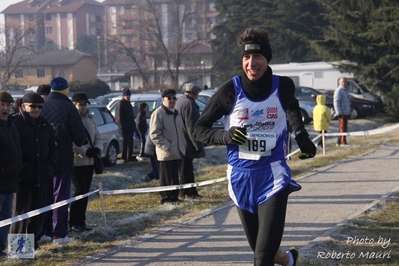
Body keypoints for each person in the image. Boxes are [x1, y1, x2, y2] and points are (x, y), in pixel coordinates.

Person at [193, 27, 316, 266]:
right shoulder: (230, 90)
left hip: (273, 177)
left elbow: (292, 106)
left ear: (267, 59)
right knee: (260, 247)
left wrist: (300, 134)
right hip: (240, 179)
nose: (251, 63)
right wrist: (226, 137)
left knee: (261, 257)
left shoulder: (283, 86)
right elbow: (198, 128)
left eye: (257, 56)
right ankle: (289, 260)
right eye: (246, 57)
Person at [40, 77, 86, 244]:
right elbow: (80, 137)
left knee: (45, 197)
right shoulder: (68, 107)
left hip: (44, 159)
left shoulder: (42, 106)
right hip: (62, 158)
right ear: (66, 90)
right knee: (60, 197)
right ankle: (59, 234)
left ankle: (43, 232)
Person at [11, 92, 56, 250]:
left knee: (38, 213)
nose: (37, 109)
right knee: (21, 214)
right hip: (22, 177)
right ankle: (20, 249)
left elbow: (52, 145)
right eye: (33, 106)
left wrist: (49, 165)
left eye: (40, 107)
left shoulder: (44, 124)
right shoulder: (14, 122)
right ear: (23, 106)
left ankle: (33, 244)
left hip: (41, 175)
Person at [69, 92, 103, 233]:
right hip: (77, 162)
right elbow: (71, 141)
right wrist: (85, 151)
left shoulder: (90, 118)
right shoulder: (72, 119)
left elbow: (98, 136)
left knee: (86, 192)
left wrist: (97, 149)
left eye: (84, 104)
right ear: (74, 105)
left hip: (89, 162)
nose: (83, 107)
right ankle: (73, 221)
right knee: (79, 191)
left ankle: (82, 221)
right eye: (80, 105)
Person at [150, 89, 186, 204]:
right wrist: (167, 146)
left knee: (175, 177)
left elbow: (181, 131)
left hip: (177, 151)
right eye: (169, 98)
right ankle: (166, 198)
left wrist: (182, 145)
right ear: (163, 100)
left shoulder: (177, 113)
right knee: (166, 177)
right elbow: (154, 134)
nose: (172, 100)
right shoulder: (158, 113)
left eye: (174, 98)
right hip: (166, 153)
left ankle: (174, 197)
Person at [175, 83, 205, 199]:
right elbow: (191, 126)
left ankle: (190, 191)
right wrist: (197, 144)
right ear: (194, 94)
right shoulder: (190, 104)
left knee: (184, 168)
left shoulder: (180, 101)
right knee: (186, 169)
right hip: (187, 141)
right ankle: (188, 193)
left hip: (180, 139)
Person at [0, 91, 21, 258]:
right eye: (2, 105)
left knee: (6, 218)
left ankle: (1, 250)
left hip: (11, 181)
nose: (5, 108)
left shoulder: (11, 124)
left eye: (7, 105)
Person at [115, 88, 136, 163]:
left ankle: (129, 156)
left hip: (130, 127)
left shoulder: (129, 104)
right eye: (127, 95)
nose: (128, 97)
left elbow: (131, 116)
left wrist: (133, 125)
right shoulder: (121, 104)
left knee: (130, 142)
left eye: (129, 95)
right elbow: (119, 117)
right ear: (123, 96)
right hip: (124, 128)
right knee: (125, 143)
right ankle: (124, 157)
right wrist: (122, 127)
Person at [333, 77, 351, 146]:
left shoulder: (345, 90)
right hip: (342, 112)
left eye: (345, 82)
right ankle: (342, 142)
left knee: (344, 128)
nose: (344, 83)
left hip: (346, 112)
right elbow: (336, 102)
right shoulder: (339, 90)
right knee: (342, 128)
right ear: (339, 82)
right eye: (343, 81)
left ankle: (340, 141)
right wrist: (339, 112)